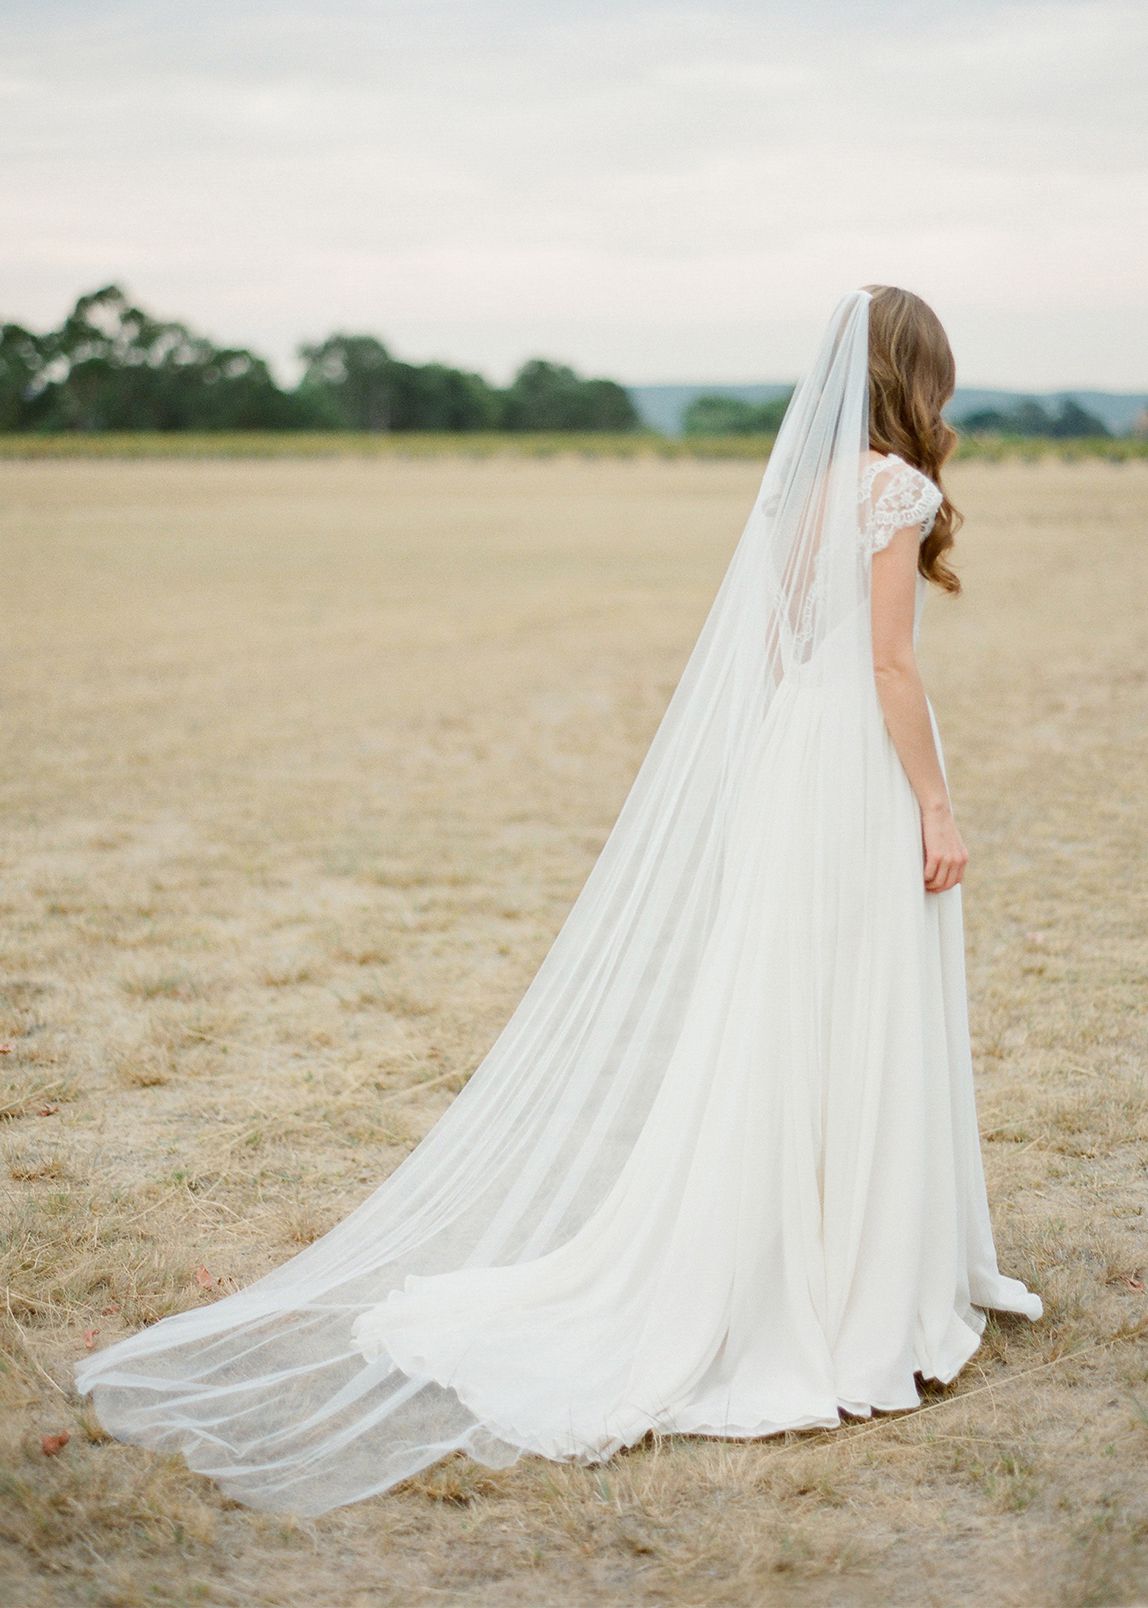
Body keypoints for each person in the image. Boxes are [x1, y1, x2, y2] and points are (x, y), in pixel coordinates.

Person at [74, 286, 1042, 1517]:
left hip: (799, 765)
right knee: (854, 1000)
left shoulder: (797, 494)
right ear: (916, 377)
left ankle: (794, 1246)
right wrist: (935, 807)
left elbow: (773, 654)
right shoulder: (889, 491)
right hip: (856, 766)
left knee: (791, 1008)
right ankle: (847, 1272)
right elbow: (889, 662)